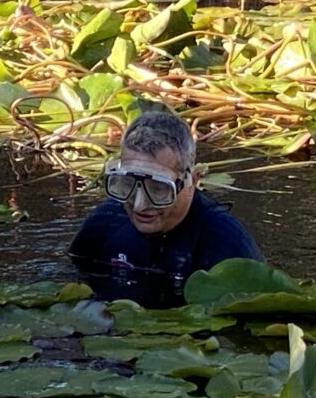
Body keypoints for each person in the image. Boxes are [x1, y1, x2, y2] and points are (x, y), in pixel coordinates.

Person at [69, 111, 264, 307]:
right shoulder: (103, 223)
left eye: (158, 188)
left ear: (193, 181)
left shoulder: (227, 246)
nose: (139, 205)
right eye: (128, 184)